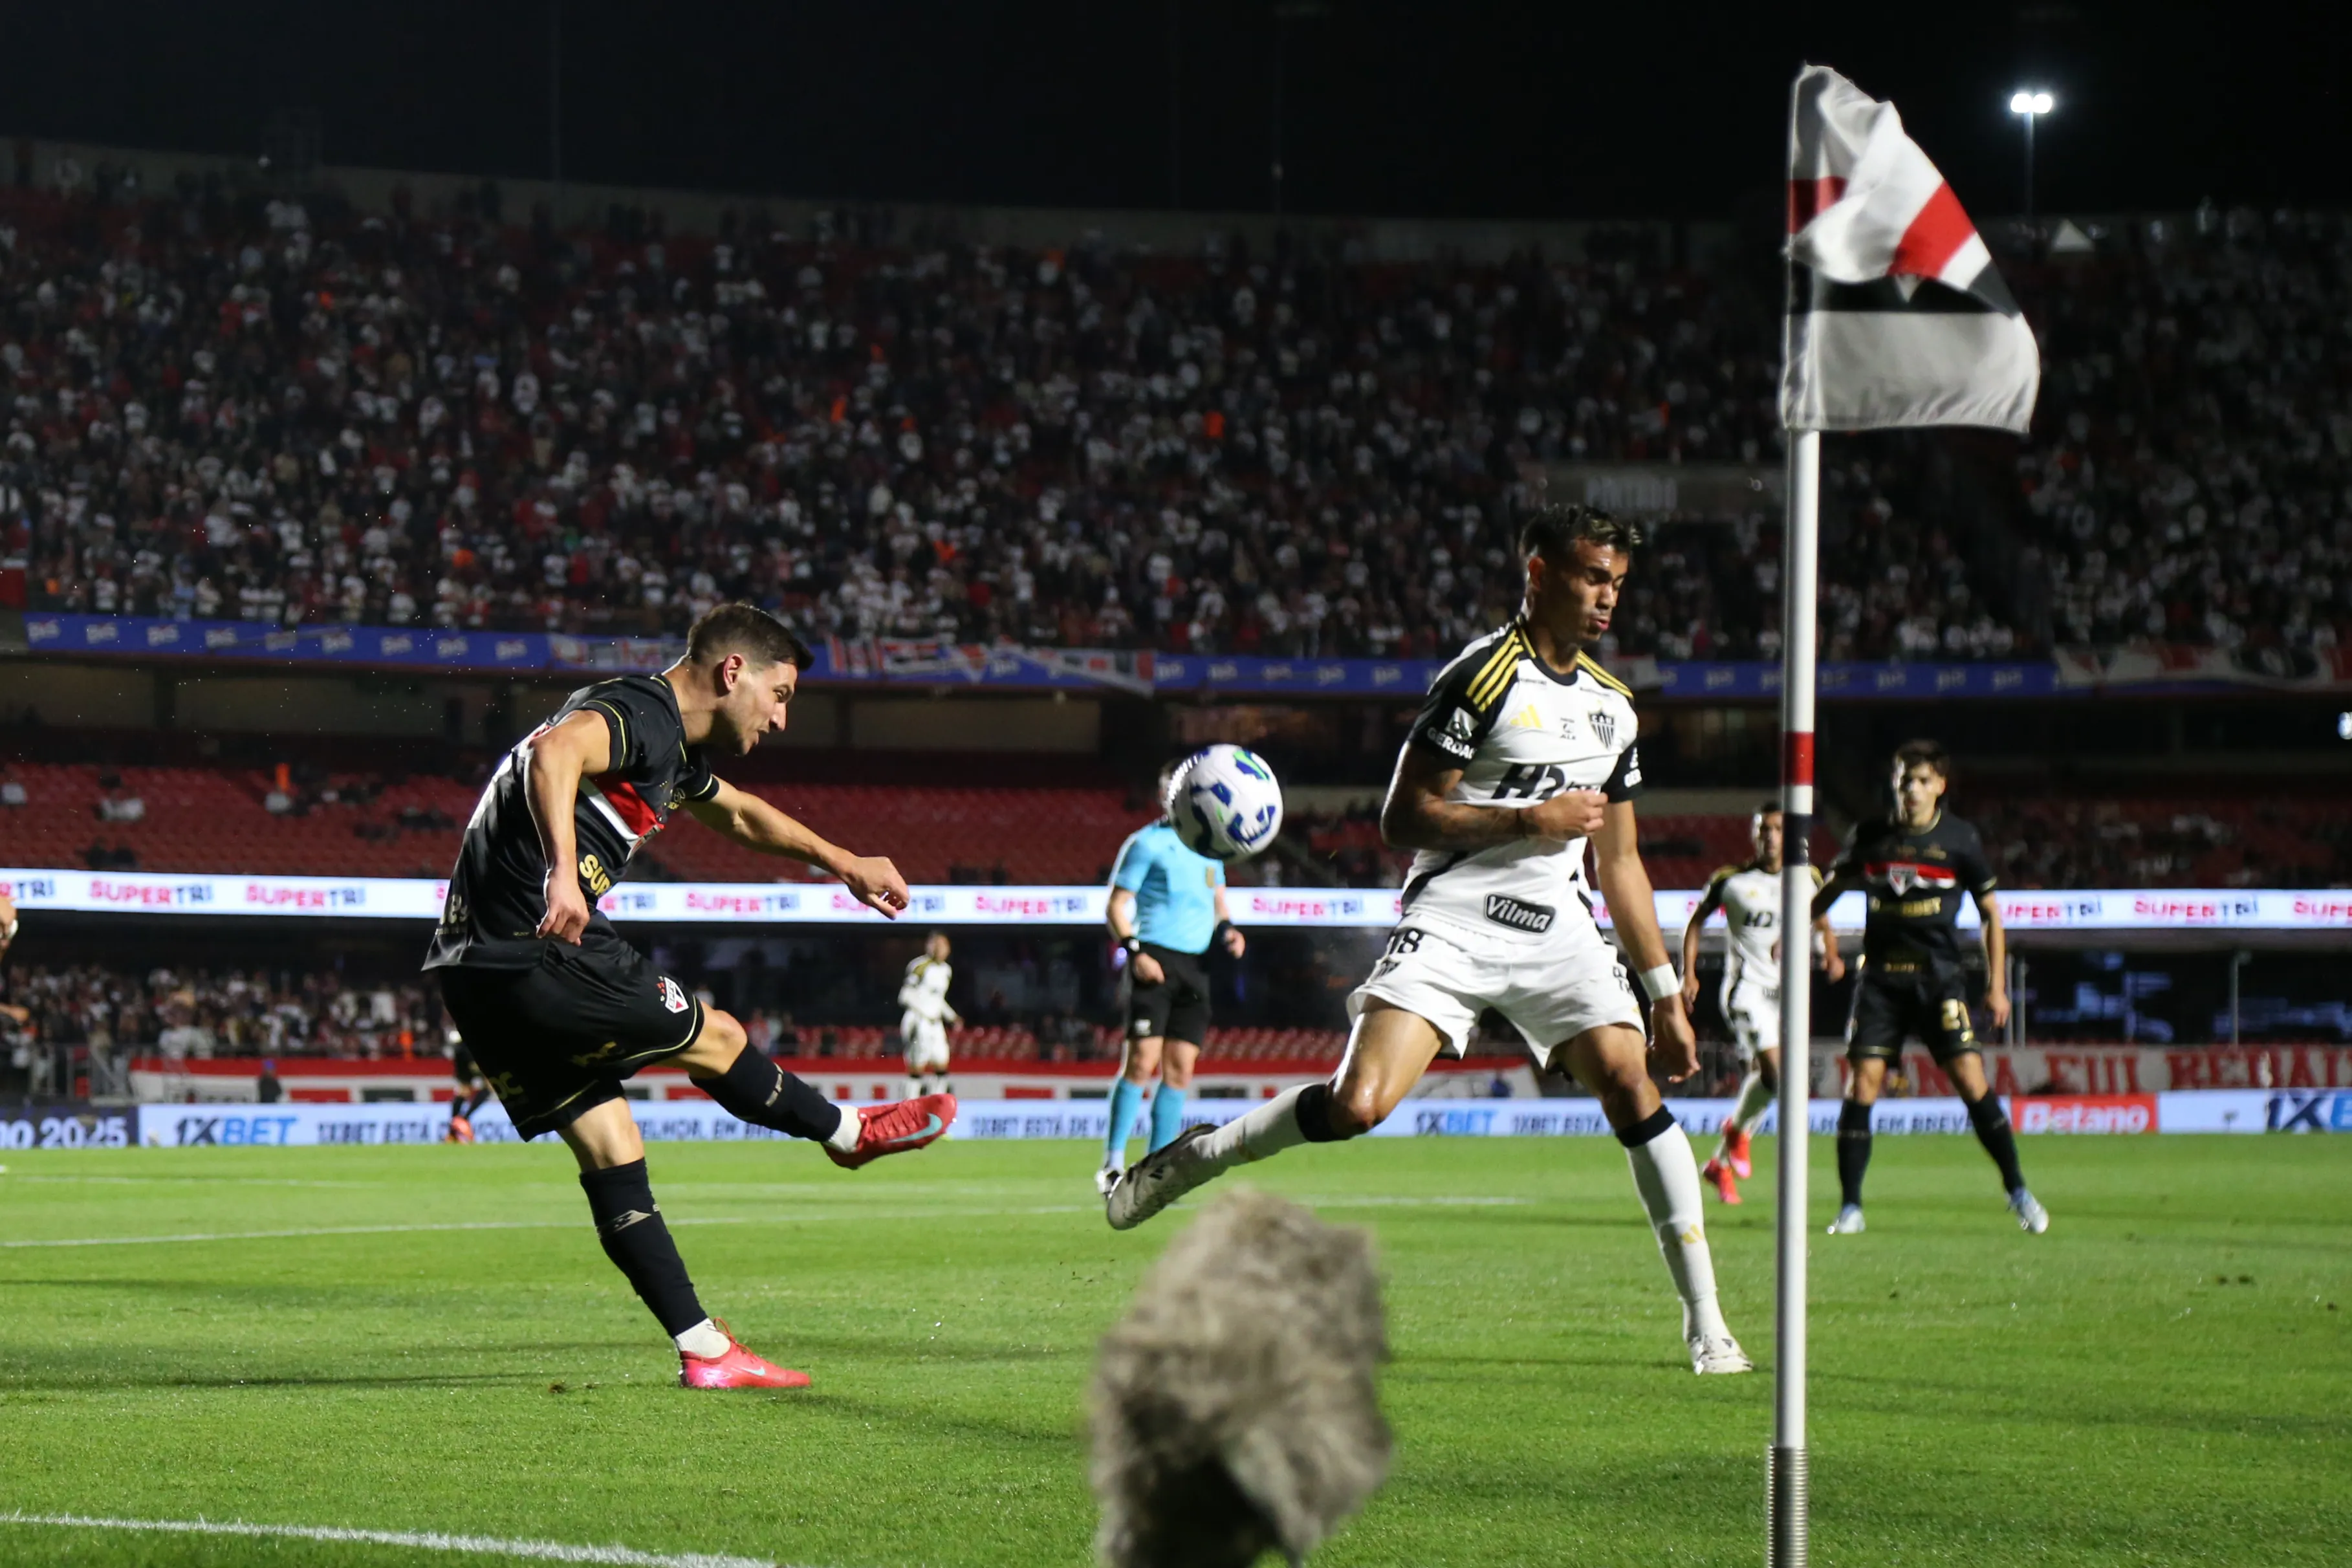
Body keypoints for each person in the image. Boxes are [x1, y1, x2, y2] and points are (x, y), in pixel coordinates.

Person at [1106, 504, 1752, 1377]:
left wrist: (1666, 996)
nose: (1608, 598)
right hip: (1453, 914)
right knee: (1358, 1105)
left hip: (1559, 926)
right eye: (1593, 577)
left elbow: (1624, 862)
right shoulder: (1482, 678)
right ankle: (1204, 1153)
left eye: (1619, 583)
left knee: (1633, 1082)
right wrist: (1533, 817)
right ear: (1539, 573)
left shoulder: (1614, 711)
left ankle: (1707, 1323)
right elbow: (1402, 816)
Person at [423, 603, 958, 1390]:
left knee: (612, 1148)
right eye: (779, 696)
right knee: (718, 1036)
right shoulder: (643, 711)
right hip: (537, 943)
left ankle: (705, 1350)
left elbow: (738, 812)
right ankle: (846, 1131)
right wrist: (563, 872)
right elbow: (556, 753)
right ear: (733, 672)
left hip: (473, 972)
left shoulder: (670, 750)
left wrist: (843, 860)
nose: (780, 719)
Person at [1811, 740, 2047, 1236]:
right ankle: (1851, 1207)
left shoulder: (1960, 840)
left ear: (1940, 786)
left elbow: (1991, 915)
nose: (1911, 790)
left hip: (1939, 981)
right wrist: (1796, 930)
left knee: (1970, 1080)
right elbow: (1830, 887)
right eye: (1904, 780)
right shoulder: (1870, 836)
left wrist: (1997, 985)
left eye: (1921, 781)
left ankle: (2018, 1190)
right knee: (1862, 1085)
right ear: (1894, 785)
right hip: (1879, 982)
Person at [1679, 803, 1844, 1204]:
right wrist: (1689, 973)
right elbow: (1696, 921)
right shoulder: (1732, 881)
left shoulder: (1807, 878)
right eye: (1763, 829)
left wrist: (1832, 953)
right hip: (1746, 991)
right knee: (1777, 1072)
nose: (1770, 836)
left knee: (1777, 1081)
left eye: (1777, 829)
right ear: (1754, 836)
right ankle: (1736, 1137)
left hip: (1789, 994)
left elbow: (1821, 920)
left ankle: (1723, 1158)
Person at [1095, 761, 1247, 1195]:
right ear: (1169, 796)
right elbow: (1116, 905)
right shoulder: (1145, 843)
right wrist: (1134, 951)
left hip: (1195, 968)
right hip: (1154, 960)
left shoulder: (1210, 847)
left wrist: (1229, 931)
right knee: (1141, 1063)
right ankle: (1111, 1164)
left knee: (1180, 1071)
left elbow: (1218, 903)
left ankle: (1157, 1168)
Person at [898, 931, 960, 1097]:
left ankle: (937, 1104)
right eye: (937, 945)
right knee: (917, 1065)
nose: (942, 949)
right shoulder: (919, 966)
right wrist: (925, 1012)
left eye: (944, 946)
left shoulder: (946, 970)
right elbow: (905, 995)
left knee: (942, 1063)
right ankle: (910, 1104)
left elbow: (938, 999)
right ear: (930, 946)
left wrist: (952, 1017)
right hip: (919, 1020)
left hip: (936, 1023)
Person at [445, 1026, 492, 1143]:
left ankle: (453, 1131)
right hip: (469, 1058)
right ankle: (463, 1121)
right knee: (485, 1089)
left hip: (464, 1063)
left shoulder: (459, 1048)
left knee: (464, 1092)